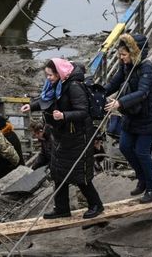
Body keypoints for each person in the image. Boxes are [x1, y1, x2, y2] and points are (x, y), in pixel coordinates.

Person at [21, 58, 104, 218]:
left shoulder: (73, 87)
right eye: (47, 75)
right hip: (61, 135)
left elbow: (83, 111)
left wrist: (64, 115)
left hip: (78, 137)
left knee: (80, 174)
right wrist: (31, 106)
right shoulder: (56, 85)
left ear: (60, 73)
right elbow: (47, 101)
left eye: (51, 75)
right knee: (58, 172)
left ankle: (96, 205)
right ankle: (62, 208)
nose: (48, 78)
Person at [99, 35, 152, 202]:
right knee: (125, 146)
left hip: (150, 116)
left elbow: (143, 92)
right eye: (120, 55)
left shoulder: (147, 68)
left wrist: (119, 103)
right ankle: (142, 179)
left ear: (134, 53)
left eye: (124, 55)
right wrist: (98, 95)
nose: (121, 58)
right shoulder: (126, 66)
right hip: (133, 114)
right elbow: (113, 84)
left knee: (142, 152)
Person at [0, 115, 24, 185]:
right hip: (16, 168)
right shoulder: (11, 133)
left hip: (9, 172)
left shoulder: (3, 138)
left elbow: (6, 156)